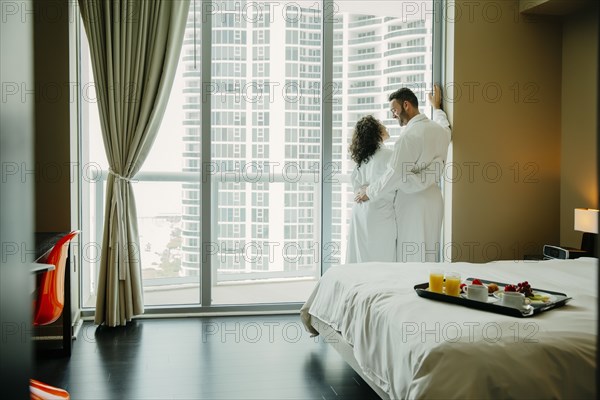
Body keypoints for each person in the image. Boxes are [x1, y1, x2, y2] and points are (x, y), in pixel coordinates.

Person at [355, 85, 451, 262]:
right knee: (429, 252)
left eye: (394, 109)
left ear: (406, 105)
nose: (393, 115)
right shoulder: (439, 131)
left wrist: (369, 192)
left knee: (410, 256)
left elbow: (394, 174)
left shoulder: (408, 138)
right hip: (435, 200)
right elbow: (446, 127)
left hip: (411, 202)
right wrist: (437, 108)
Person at [345, 115, 397, 264]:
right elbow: (395, 181)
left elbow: (355, 184)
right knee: (381, 258)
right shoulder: (389, 155)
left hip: (360, 211)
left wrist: (362, 190)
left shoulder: (363, 158)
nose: (385, 127)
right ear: (376, 132)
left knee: (360, 258)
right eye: (381, 125)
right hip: (379, 213)